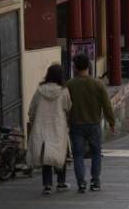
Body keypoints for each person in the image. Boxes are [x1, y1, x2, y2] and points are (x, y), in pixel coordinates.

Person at [66, 54, 115, 193]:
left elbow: (65, 105)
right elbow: (107, 105)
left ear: (75, 67)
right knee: (96, 153)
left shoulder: (70, 85)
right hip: (94, 124)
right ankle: (95, 181)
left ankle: (81, 183)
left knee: (78, 155)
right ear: (88, 66)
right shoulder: (98, 84)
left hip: (76, 125)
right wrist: (111, 121)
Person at [27, 63, 72, 195]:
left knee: (45, 155)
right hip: (58, 127)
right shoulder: (63, 91)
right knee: (59, 154)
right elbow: (68, 107)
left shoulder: (39, 91)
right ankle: (61, 183)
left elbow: (32, 109)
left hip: (41, 126)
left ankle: (47, 185)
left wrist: (33, 121)